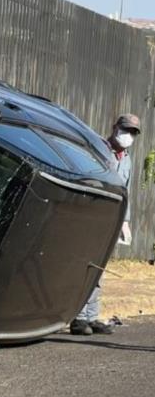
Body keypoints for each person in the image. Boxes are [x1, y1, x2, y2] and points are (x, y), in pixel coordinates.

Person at [70, 113, 141, 335]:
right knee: (86, 265)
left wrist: (125, 221)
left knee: (98, 268)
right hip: (93, 214)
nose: (127, 135)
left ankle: (92, 316)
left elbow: (125, 190)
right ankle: (78, 317)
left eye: (132, 132)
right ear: (114, 127)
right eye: (125, 130)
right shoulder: (98, 149)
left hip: (113, 218)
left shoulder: (127, 159)